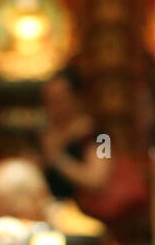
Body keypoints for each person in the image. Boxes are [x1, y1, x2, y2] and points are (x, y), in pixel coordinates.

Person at [38, 70, 112, 200]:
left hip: (85, 212)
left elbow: (98, 179)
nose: (53, 106)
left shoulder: (101, 136)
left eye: (59, 99)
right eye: (48, 100)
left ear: (77, 98)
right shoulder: (45, 133)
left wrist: (57, 158)